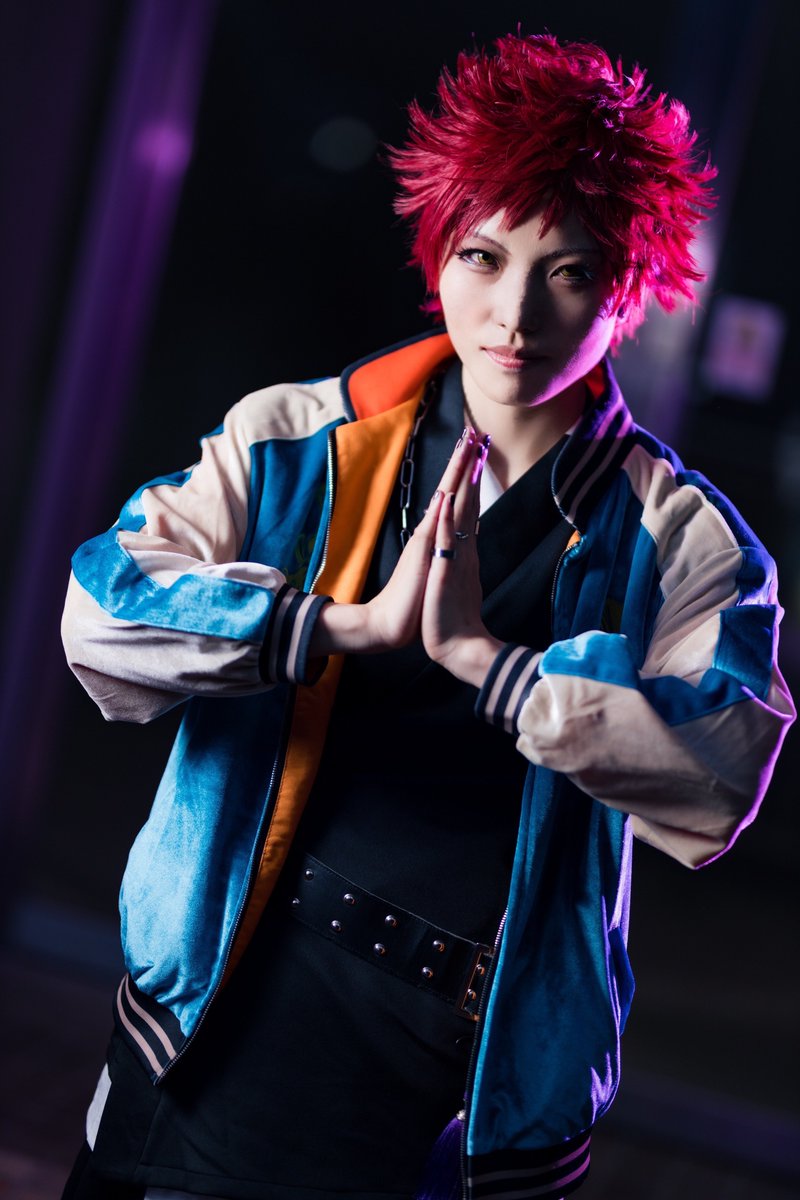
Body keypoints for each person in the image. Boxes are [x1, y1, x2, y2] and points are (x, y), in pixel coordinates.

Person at [60, 31, 794, 1200]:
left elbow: (720, 772)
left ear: (628, 289)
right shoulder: (300, 436)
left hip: (457, 1069)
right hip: (227, 1005)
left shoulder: (682, 540)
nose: (513, 312)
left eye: (569, 272)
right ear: (438, 249)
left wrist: (491, 668)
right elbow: (102, 608)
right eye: (482, 255)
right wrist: (332, 628)